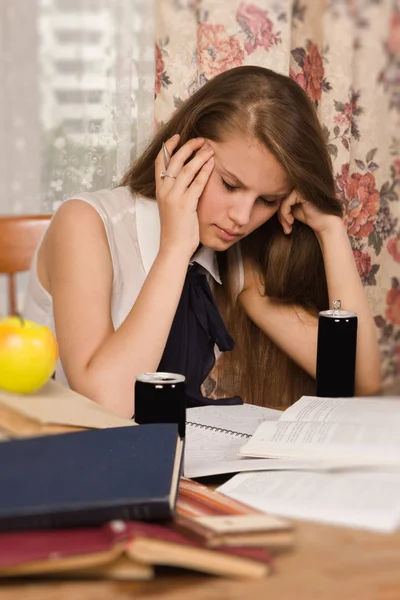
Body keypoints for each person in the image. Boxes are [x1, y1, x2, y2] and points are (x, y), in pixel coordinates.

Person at [23, 66, 381, 417]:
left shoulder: (234, 257)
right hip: (67, 458)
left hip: (172, 463)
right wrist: (175, 249)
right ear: (185, 153)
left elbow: (358, 382)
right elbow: (104, 405)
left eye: (267, 201)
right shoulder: (87, 224)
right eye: (230, 184)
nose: (242, 217)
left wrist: (329, 230)